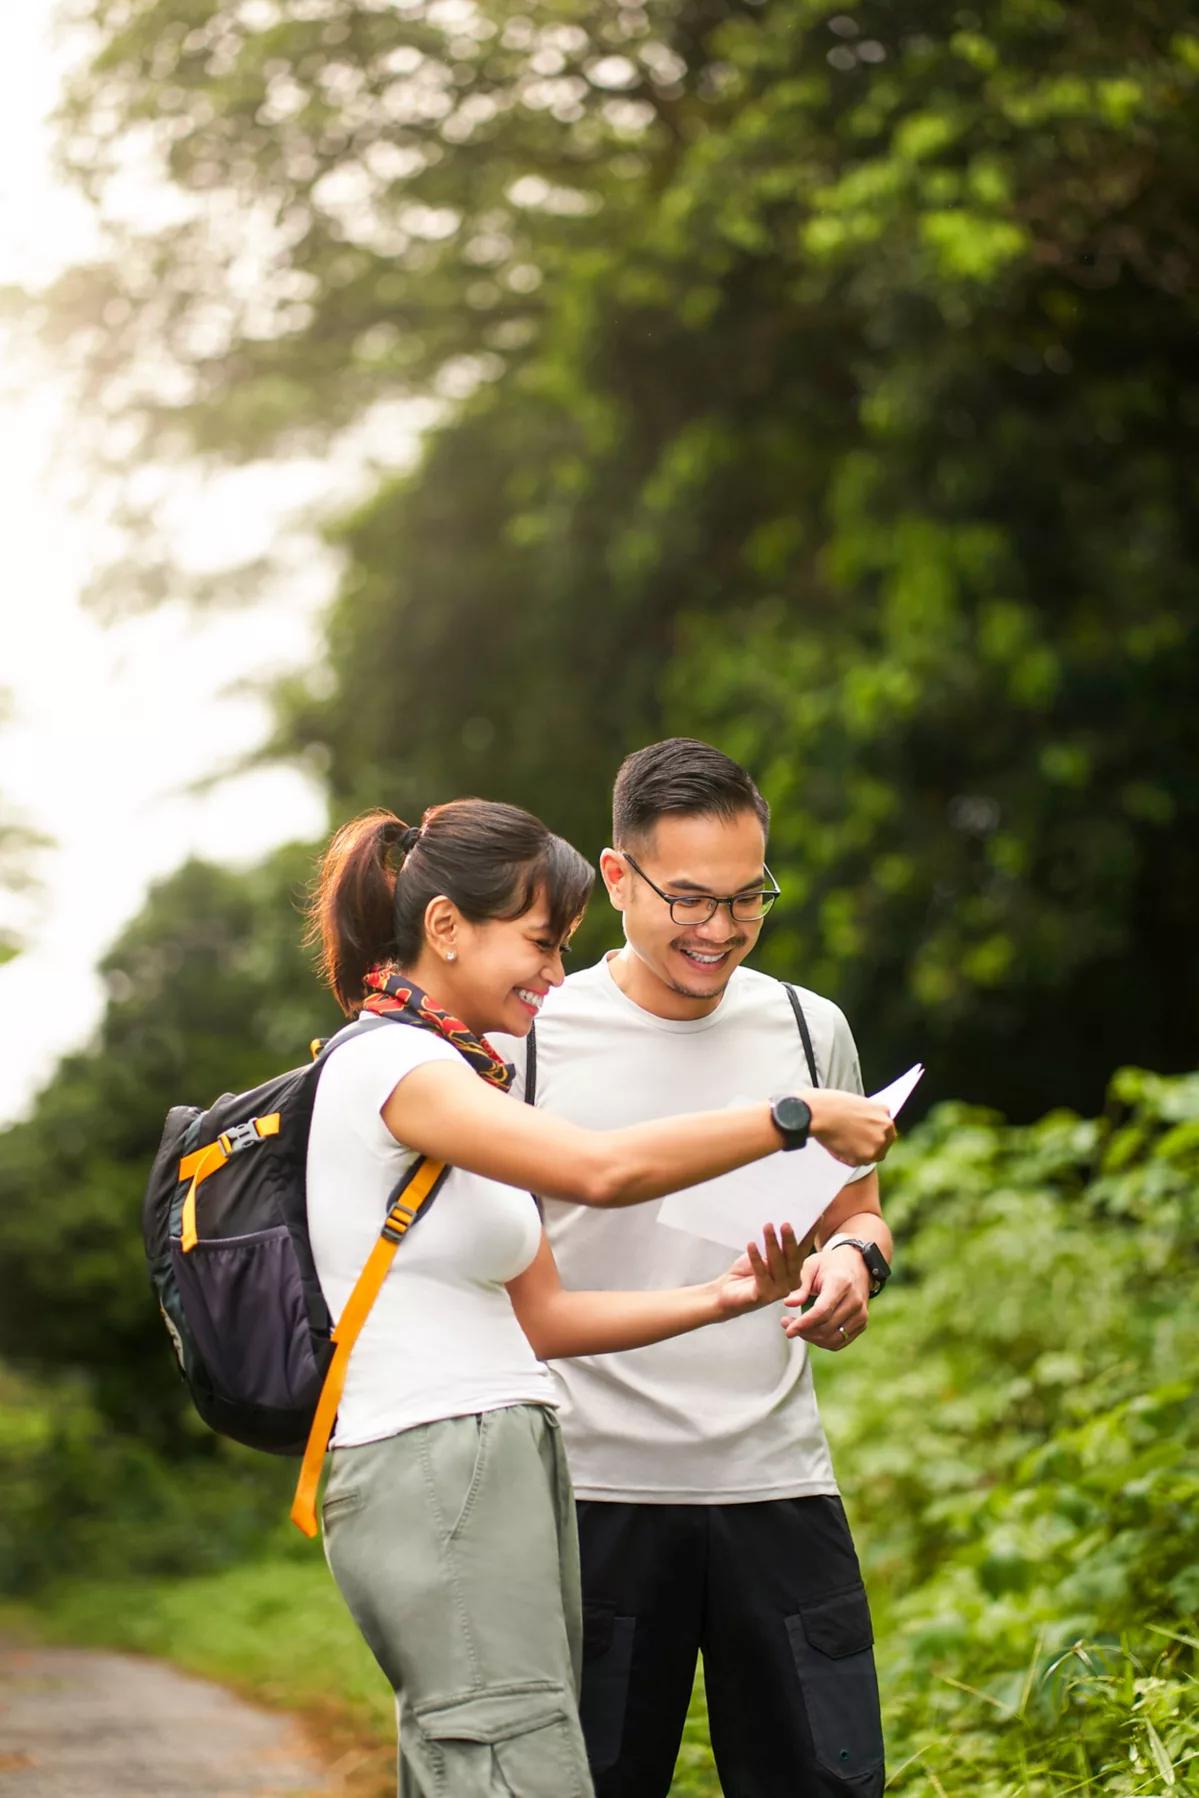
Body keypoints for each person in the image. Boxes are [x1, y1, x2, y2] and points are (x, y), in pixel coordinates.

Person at [303, 798, 896, 1798]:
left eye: (746, 896)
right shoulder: (408, 1065)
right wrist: (788, 1116)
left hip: (541, 1466)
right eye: (539, 942)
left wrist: (728, 1294)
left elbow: (543, 1314)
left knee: (500, 1765)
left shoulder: (464, 1062)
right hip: (474, 1471)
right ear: (445, 927)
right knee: (510, 1766)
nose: (550, 971)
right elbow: (602, 1169)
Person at [490, 740, 897, 1798]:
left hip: (779, 1482)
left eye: (746, 897)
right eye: (689, 899)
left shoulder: (810, 1027)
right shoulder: (531, 1038)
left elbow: (859, 1214)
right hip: (595, 1496)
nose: (719, 929)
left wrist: (855, 1265)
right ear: (616, 878)